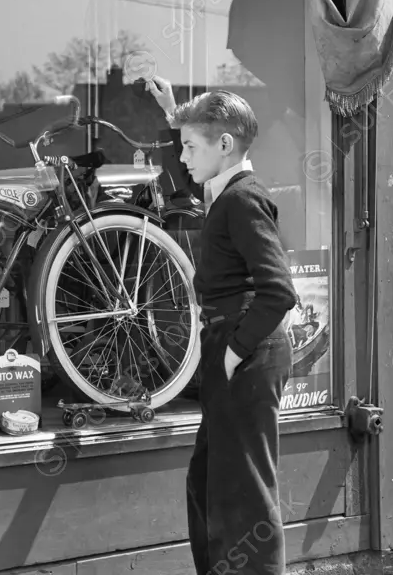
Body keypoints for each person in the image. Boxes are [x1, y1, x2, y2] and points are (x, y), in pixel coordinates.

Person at [146, 76, 296, 575]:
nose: (184, 158)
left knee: (246, 492)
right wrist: (176, 121)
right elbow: (193, 174)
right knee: (209, 481)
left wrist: (233, 354)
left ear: (225, 146)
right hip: (231, 349)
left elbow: (279, 291)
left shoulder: (243, 199)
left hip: (246, 352)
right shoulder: (225, 190)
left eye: (190, 147)